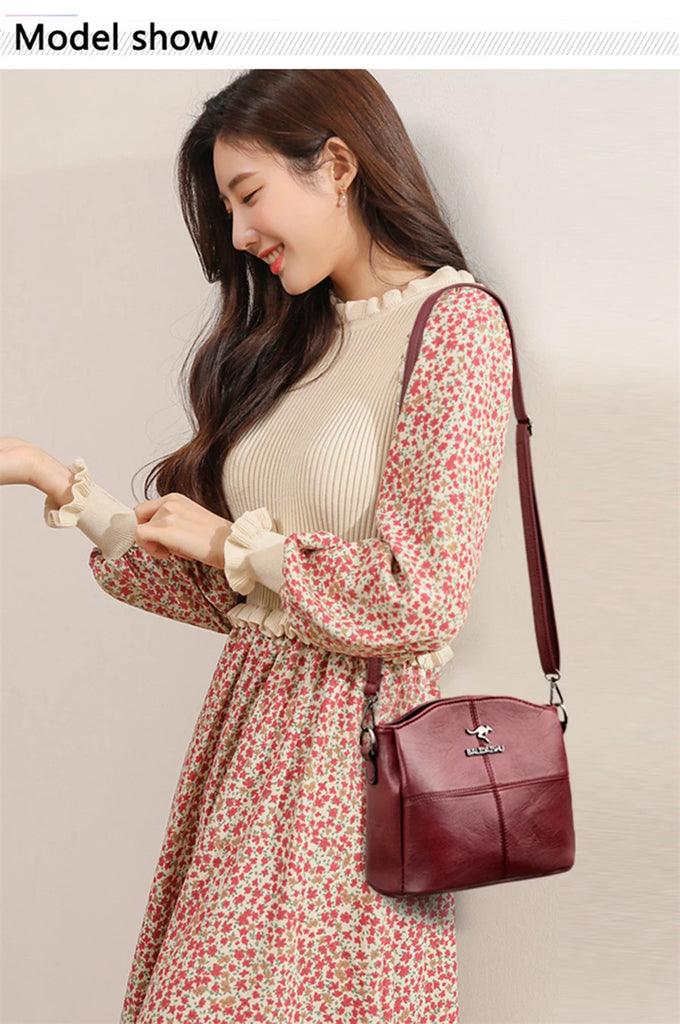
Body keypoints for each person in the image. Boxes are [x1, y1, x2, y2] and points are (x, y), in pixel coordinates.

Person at [0, 69, 513, 1023]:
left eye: (248, 195)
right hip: (249, 735)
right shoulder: (304, 342)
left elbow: (422, 596)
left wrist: (237, 545)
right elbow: (230, 593)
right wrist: (53, 481)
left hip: (352, 760)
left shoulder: (456, 329)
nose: (238, 235)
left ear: (337, 165)